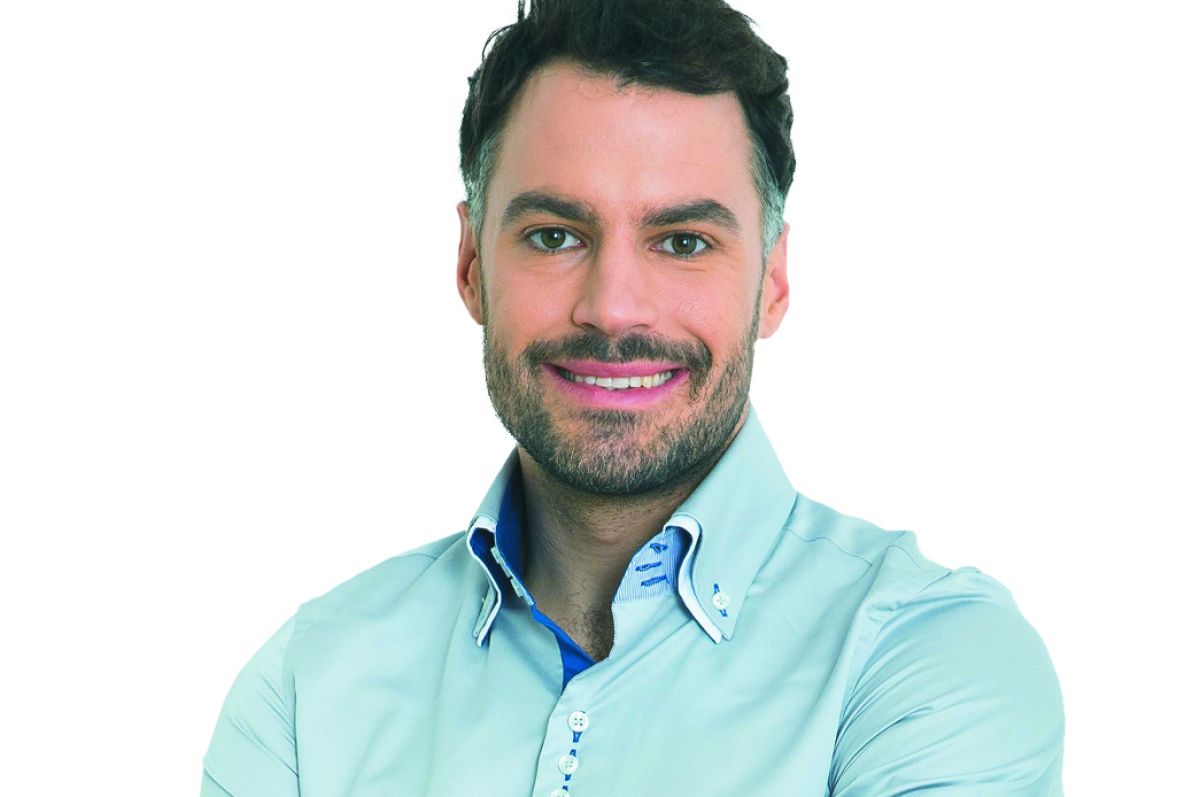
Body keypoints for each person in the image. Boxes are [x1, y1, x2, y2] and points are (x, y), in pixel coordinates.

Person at [200, 0, 1065, 794]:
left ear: (772, 280)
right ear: (470, 264)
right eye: (555, 236)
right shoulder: (307, 691)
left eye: (682, 242)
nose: (613, 308)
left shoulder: (925, 661)